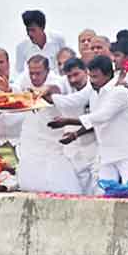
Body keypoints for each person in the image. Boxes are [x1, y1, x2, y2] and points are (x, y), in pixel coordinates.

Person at [50, 55, 128, 196]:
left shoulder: (120, 92)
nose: (91, 81)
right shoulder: (94, 93)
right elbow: (93, 122)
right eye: (90, 76)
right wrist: (75, 135)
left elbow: (101, 117)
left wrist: (68, 121)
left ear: (107, 75)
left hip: (127, 152)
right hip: (106, 153)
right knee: (102, 195)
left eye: (95, 77)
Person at [13, 56, 84, 194]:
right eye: (31, 73)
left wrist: (44, 91)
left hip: (52, 138)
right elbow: (15, 92)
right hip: (32, 134)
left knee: (58, 183)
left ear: (47, 71)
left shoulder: (56, 81)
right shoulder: (24, 79)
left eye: (38, 73)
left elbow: (54, 89)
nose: (34, 77)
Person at [50, 57, 99, 195]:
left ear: (86, 72)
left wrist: (74, 133)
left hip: (96, 148)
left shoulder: (92, 89)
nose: (73, 80)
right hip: (76, 150)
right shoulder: (70, 90)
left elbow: (95, 120)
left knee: (97, 191)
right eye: (69, 76)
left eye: (76, 74)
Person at [15, 10, 66, 75]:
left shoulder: (58, 39)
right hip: (35, 83)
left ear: (42, 28)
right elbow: (18, 71)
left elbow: (67, 62)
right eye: (27, 30)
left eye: (33, 30)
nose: (29, 34)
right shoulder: (21, 47)